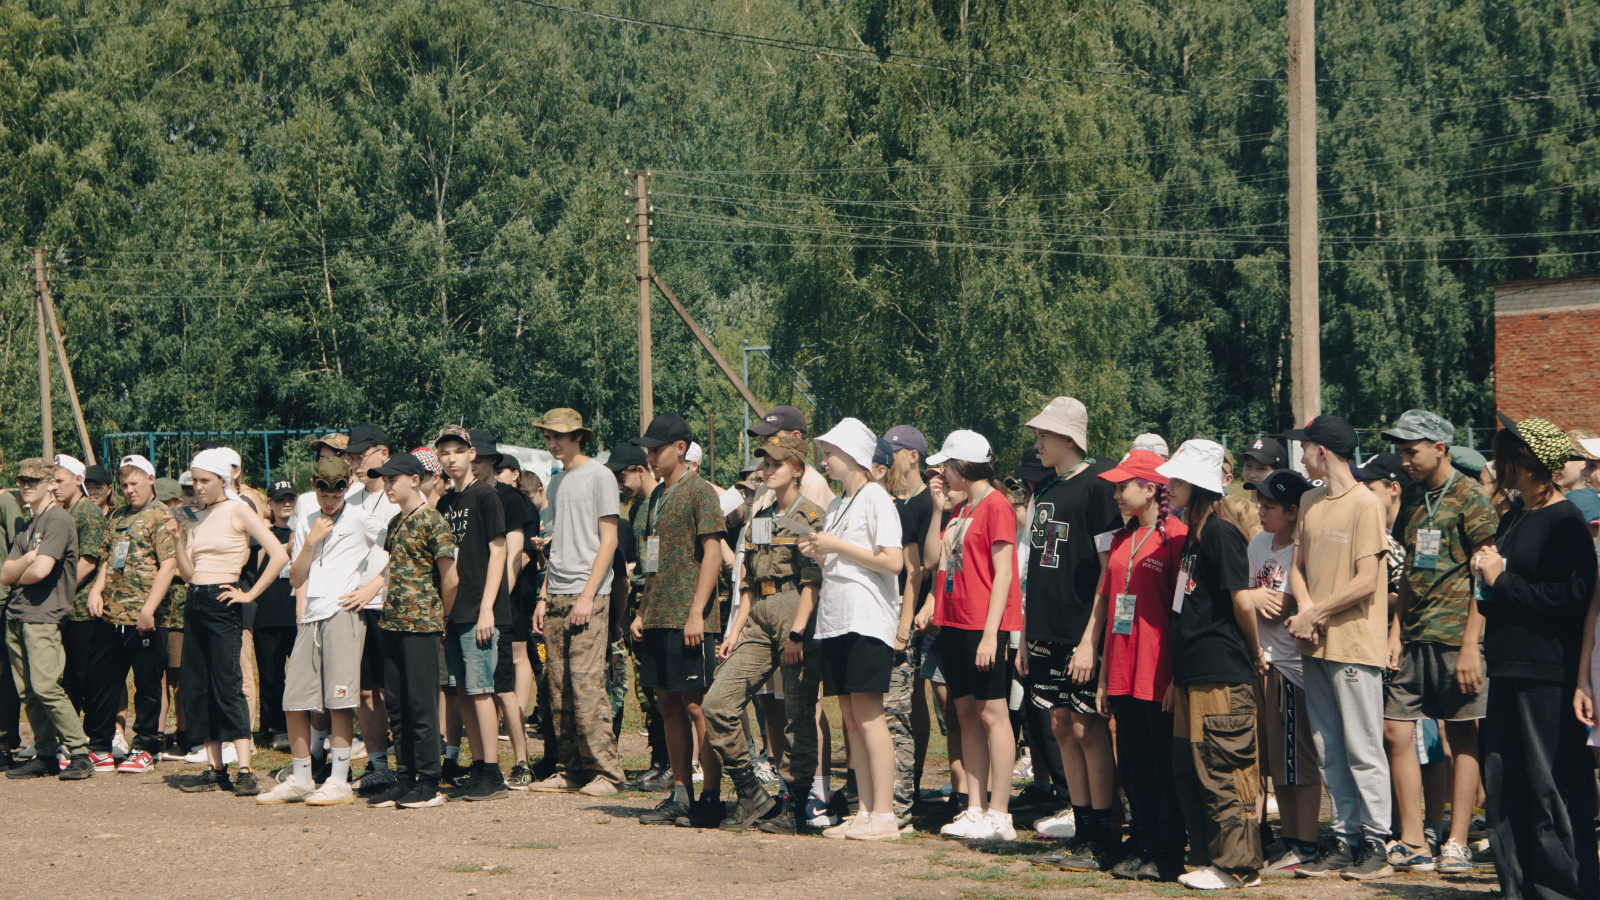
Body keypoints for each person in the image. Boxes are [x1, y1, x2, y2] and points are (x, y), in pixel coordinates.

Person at [1478, 415, 1599, 900]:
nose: (1498, 467)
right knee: (1506, 783)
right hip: (1508, 664)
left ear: (1528, 465)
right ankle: (1519, 886)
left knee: (1551, 785)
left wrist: (1501, 579)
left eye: (1505, 458)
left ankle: (1562, 890)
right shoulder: (1516, 515)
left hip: (1546, 670)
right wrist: (1486, 576)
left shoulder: (1565, 521)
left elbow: (1569, 599)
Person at [1380, 410, 1498, 876]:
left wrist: (1471, 645)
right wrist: (1395, 631)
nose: (1404, 460)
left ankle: (1457, 842)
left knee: (1461, 733)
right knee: (1395, 730)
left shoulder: (1471, 496)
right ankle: (1413, 840)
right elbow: (1409, 569)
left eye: (1411, 451)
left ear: (1439, 448)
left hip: (1456, 638)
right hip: (1414, 636)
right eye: (1401, 452)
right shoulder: (1412, 496)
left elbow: (1484, 575)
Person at [1283, 415, 1393, 880]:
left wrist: (1314, 613)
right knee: (1328, 747)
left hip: (1354, 645)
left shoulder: (1366, 504)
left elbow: (1367, 581)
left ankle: (1377, 841)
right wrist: (1307, 610)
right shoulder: (1311, 500)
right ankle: (1346, 839)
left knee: (1362, 746)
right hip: (1315, 646)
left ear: (1322, 451)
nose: (1301, 455)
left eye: (1305, 447)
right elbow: (1297, 568)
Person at [1016, 398, 1123, 869]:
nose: (1037, 443)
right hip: (1043, 629)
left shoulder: (1098, 485)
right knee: (1059, 723)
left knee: (1086, 726)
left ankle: (1103, 834)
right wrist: (1025, 634)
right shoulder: (1044, 487)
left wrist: (1090, 640)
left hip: (1080, 629)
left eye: (1045, 435)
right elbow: (1034, 570)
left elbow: (1107, 570)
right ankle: (1080, 831)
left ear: (1069, 438)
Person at [701, 434, 826, 831]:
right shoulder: (760, 516)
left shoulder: (811, 515)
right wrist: (734, 632)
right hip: (759, 613)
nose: (767, 470)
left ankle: (796, 806)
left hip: (795, 608)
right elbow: (748, 583)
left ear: (797, 469)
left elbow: (813, 580)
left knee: (798, 713)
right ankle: (752, 793)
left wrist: (798, 633)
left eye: (776, 464)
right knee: (717, 702)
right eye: (765, 464)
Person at [1157, 440, 1264, 890]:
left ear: (1199, 482)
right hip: (1192, 673)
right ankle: (1207, 858)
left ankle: (1238, 867)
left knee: (1225, 768)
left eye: (1177, 478)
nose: (1168, 485)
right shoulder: (1194, 535)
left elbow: (1242, 601)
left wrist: (1255, 653)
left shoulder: (1220, 532)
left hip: (1220, 670)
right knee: (1192, 769)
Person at [793, 419, 903, 841]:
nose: (824, 460)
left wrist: (836, 546)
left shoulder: (877, 498)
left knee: (871, 718)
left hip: (867, 620)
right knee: (852, 721)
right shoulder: (839, 504)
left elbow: (893, 561)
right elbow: (842, 562)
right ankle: (864, 811)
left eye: (830, 453)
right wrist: (818, 552)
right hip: (836, 619)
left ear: (855, 456)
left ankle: (885, 815)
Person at [254, 456, 386, 807]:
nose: (330, 500)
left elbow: (398, 548)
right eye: (323, 493)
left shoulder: (360, 518)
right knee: (295, 699)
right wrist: (311, 542)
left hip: (343, 613)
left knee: (339, 700)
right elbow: (296, 577)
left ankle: (339, 781)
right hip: (311, 615)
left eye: (337, 493)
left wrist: (373, 586)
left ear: (348, 487)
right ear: (312, 486)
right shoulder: (306, 520)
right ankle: (301, 778)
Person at [1089, 449, 1188, 880]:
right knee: (1133, 766)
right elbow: (1113, 606)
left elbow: (1183, 614)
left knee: (1162, 765)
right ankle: (1143, 842)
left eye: (1122, 486)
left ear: (1150, 489)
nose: (1115, 495)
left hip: (1157, 671)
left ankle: (1168, 850)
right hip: (1122, 670)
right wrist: (1103, 677)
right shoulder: (1120, 539)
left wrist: (1176, 677)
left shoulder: (1176, 537)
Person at [167, 448, 290, 797]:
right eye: (195, 480)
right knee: (198, 683)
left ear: (223, 479)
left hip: (224, 600)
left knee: (228, 682)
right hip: (195, 599)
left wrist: (250, 595)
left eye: (205, 480)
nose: (198, 487)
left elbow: (278, 554)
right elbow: (188, 573)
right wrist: (177, 540)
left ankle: (245, 769)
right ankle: (215, 768)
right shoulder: (197, 516)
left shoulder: (239, 510)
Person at [631, 414, 726, 827]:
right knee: (667, 704)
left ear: (680, 449)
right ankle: (681, 793)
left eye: (657, 450)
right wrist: (641, 610)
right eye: (648, 451)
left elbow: (713, 553)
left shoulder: (700, 492)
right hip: (657, 615)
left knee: (696, 706)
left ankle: (711, 797)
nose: (650, 457)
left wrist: (696, 614)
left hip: (689, 617)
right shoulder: (656, 497)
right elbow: (652, 560)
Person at [925, 429, 1019, 844]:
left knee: (993, 714)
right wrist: (938, 510)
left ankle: (1000, 812)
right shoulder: (961, 508)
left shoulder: (997, 505)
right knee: (965, 714)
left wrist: (991, 634)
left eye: (946, 466)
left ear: (962, 467)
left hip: (983, 625)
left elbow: (1004, 573)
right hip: (953, 622)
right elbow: (933, 560)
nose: (941, 474)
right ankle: (975, 807)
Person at [529, 409, 626, 796]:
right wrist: (544, 595)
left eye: (560, 436)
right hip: (556, 593)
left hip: (590, 594)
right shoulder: (556, 482)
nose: (553, 443)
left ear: (579, 437)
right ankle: (569, 769)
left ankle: (607, 773)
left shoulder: (600, 476)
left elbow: (609, 540)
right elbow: (556, 545)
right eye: (548, 436)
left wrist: (587, 596)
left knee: (587, 686)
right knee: (558, 688)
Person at [361, 452, 459, 809]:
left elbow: (450, 578)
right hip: (392, 622)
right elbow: (393, 569)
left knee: (421, 705)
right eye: (384, 480)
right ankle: (405, 778)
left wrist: (441, 617)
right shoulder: (396, 522)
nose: (387, 485)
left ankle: (429, 782)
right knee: (398, 705)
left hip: (421, 625)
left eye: (393, 479)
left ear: (415, 480)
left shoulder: (432, 520)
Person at [1243, 469, 1321, 873]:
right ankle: (1289, 839)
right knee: (1276, 762)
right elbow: (1252, 599)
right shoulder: (1258, 542)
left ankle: (1305, 843)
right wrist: (1252, 598)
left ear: (1293, 511)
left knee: (1297, 761)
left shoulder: (1300, 549)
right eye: (1259, 504)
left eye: (1269, 506)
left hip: (1290, 666)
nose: (1260, 511)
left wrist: (1251, 598)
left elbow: (1278, 607)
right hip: (1262, 661)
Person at [81, 455, 178, 776]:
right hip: (113, 615)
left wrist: (148, 609)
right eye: (123, 485)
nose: (129, 490)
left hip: (146, 618)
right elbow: (108, 558)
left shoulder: (161, 515)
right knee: (102, 681)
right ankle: (100, 745)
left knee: (147, 685)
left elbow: (169, 566)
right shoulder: (118, 515)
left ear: (150, 480)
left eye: (134, 483)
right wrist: (96, 591)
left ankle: (146, 746)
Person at [1, 458, 92, 781]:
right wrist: (27, 558)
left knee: (46, 688)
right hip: (17, 614)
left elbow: (41, 571)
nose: (26, 486)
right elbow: (4, 574)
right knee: (28, 691)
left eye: (33, 481)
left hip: (43, 615)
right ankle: (46, 755)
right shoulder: (29, 525)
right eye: (22, 481)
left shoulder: (58, 520)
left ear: (51, 484)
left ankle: (80, 753)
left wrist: (22, 567)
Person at [434, 425, 511, 802]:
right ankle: (478, 765)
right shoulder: (444, 504)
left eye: (457, 451)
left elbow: (499, 551)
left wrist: (487, 609)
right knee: (462, 691)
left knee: (481, 691)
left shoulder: (486, 495)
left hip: (479, 609)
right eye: (444, 452)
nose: (451, 458)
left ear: (471, 454)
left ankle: (493, 773)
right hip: (453, 611)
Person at [466, 430, 536, 790]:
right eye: (471, 460)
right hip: (469, 608)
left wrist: (492, 606)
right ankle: (482, 763)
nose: (474, 466)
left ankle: (522, 761)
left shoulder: (510, 498)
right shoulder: (463, 498)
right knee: (475, 690)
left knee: (503, 687)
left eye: (479, 460)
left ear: (493, 462)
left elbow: (514, 556)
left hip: (501, 608)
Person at [608, 441, 673, 792]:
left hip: (656, 602)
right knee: (646, 687)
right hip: (638, 600)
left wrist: (645, 608)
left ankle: (669, 764)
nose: (621, 485)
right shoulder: (637, 509)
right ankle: (658, 761)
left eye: (623, 477)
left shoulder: (661, 501)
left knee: (660, 688)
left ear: (639, 470)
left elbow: (655, 562)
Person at [341, 424, 402, 793]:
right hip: (355, 605)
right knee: (365, 691)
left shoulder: (398, 497)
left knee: (396, 689)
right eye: (350, 457)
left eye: (360, 456)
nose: (355, 464)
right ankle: (378, 765)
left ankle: (410, 764)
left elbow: (404, 552)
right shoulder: (348, 499)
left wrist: (375, 585)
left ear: (383, 453)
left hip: (390, 604)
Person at [883, 424, 936, 814]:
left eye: (893, 452)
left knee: (918, 696)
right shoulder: (889, 500)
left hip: (920, 611)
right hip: (889, 606)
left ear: (913, 456)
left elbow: (924, 567)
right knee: (898, 696)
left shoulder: (927, 502)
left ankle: (912, 782)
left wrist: (920, 610)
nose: (887, 460)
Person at [50, 454, 109, 766]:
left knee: (87, 678)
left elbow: (89, 560)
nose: (54, 486)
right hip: (66, 609)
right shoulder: (64, 511)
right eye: (52, 481)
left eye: (59, 480)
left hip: (83, 609)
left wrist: (61, 591)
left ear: (77, 480)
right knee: (69, 677)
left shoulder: (87, 512)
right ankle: (68, 740)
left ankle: (94, 742)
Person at [252, 480, 298, 752]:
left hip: (297, 614)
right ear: (270, 504)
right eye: (280, 499)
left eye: (291, 498)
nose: (287, 504)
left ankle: (304, 725)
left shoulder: (304, 531)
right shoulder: (261, 534)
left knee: (302, 676)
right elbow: (252, 570)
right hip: (267, 613)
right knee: (270, 675)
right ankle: (274, 727)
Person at [747, 405, 836, 509]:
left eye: (772, 437)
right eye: (763, 438)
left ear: (796, 437)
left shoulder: (812, 483)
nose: (764, 444)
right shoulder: (765, 488)